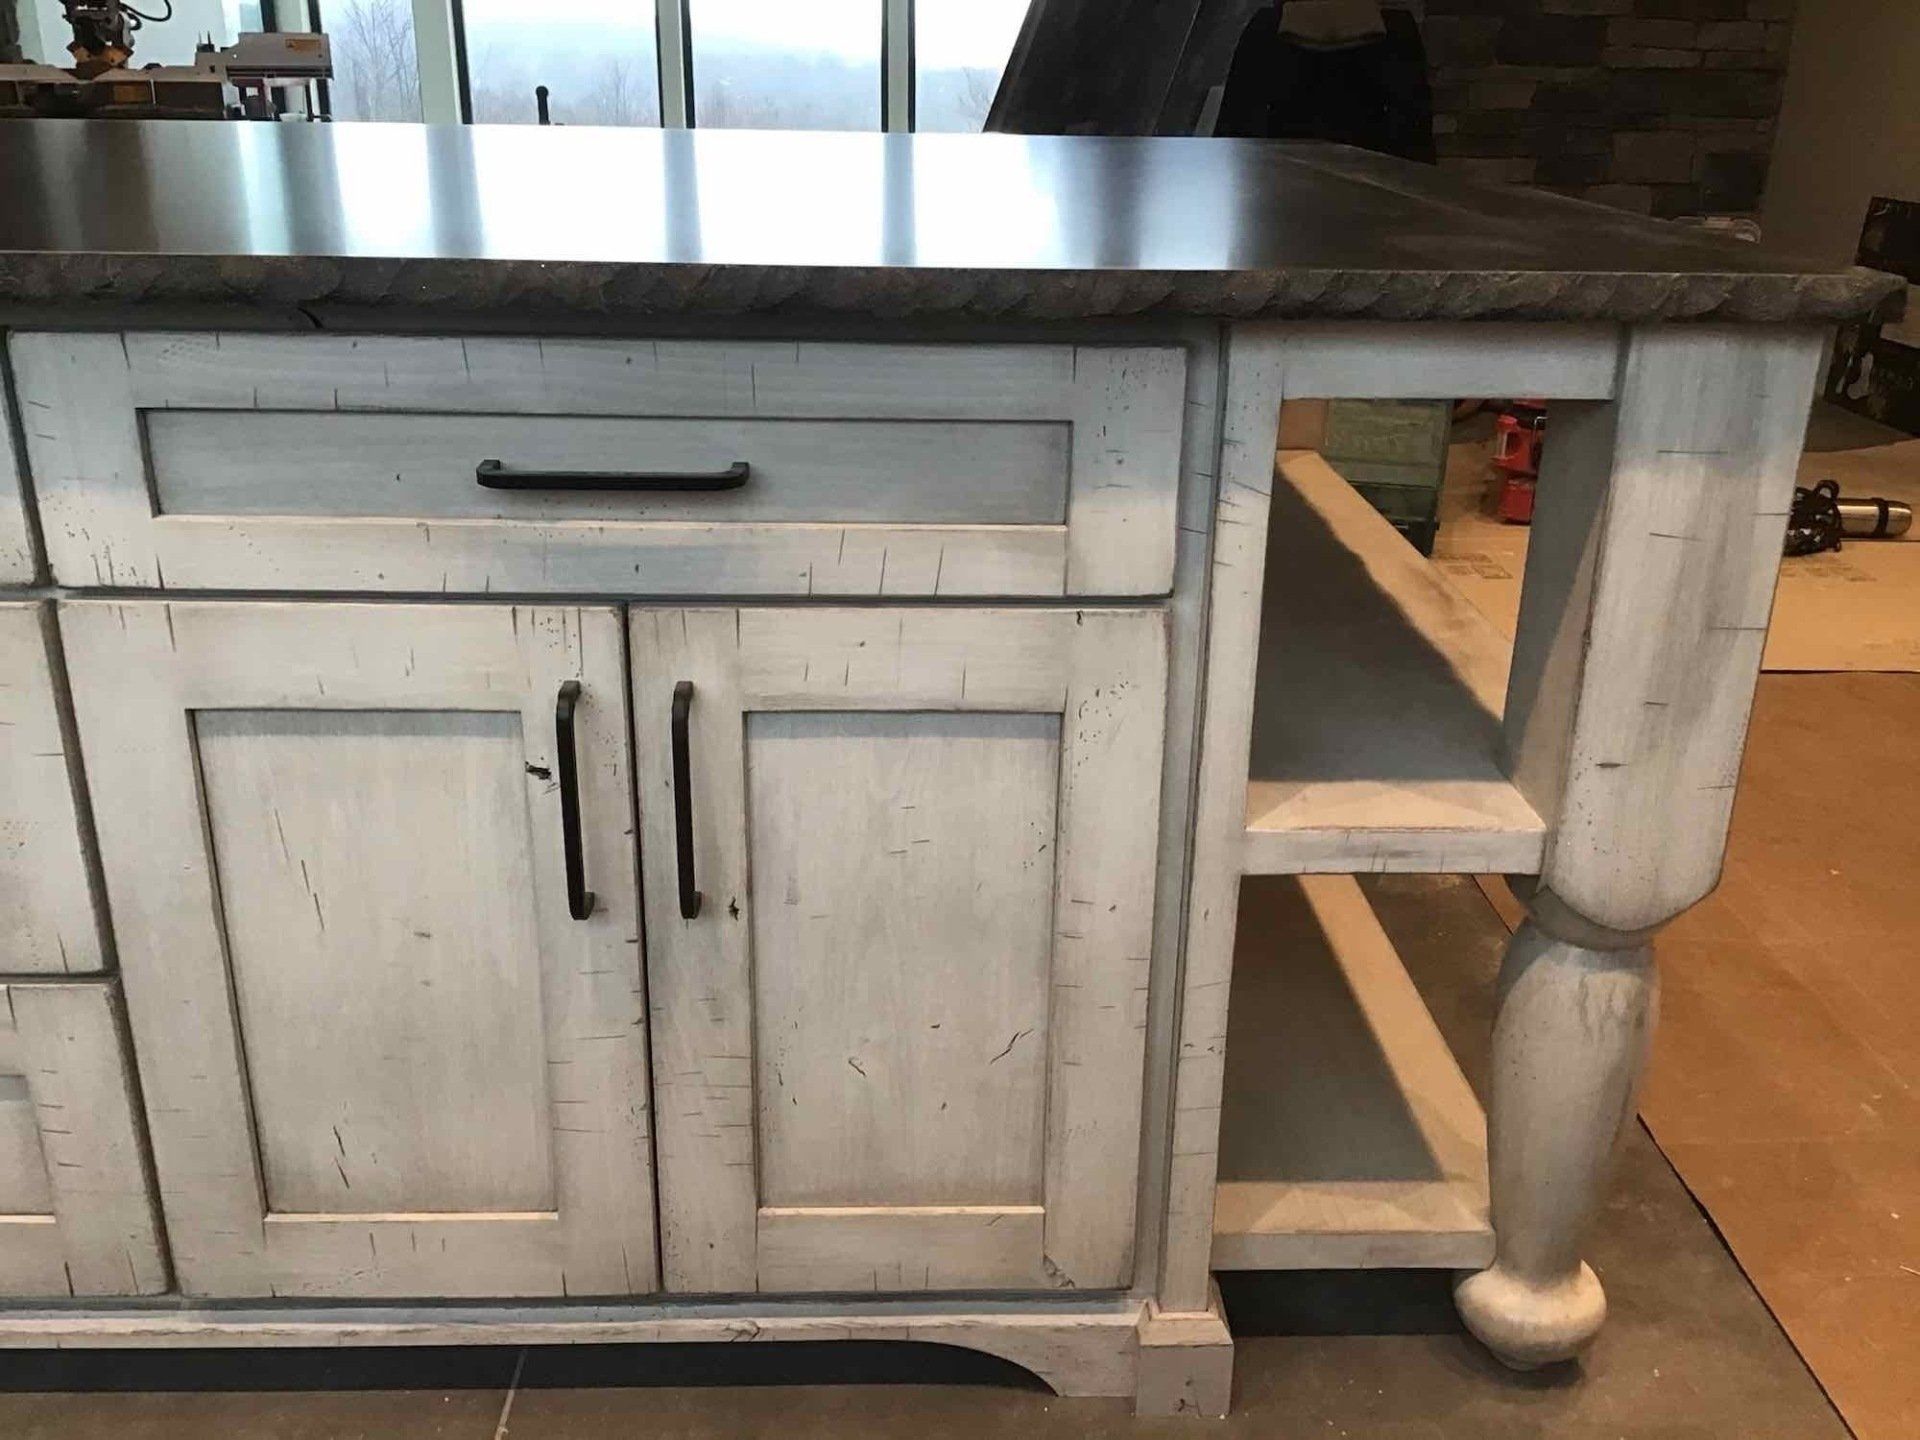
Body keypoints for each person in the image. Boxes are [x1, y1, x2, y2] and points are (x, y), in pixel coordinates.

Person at [1216, 0, 1436, 162]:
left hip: (1285, 180)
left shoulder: (1265, 28)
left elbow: (1235, 125)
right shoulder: (1397, 30)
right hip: (1371, 183)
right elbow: (1415, 133)